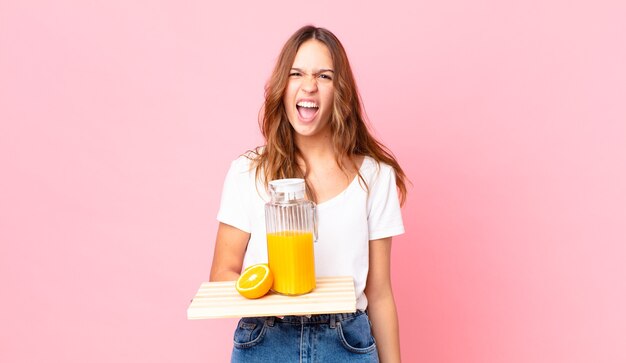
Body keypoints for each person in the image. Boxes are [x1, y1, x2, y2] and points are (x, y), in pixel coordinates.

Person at [209, 25, 408, 362]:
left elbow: (379, 292)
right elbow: (222, 274)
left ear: (339, 91)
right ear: (282, 88)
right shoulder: (247, 172)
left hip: (346, 343)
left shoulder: (375, 177)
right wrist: (272, 291)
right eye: (296, 73)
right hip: (265, 339)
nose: (309, 86)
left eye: (325, 76)